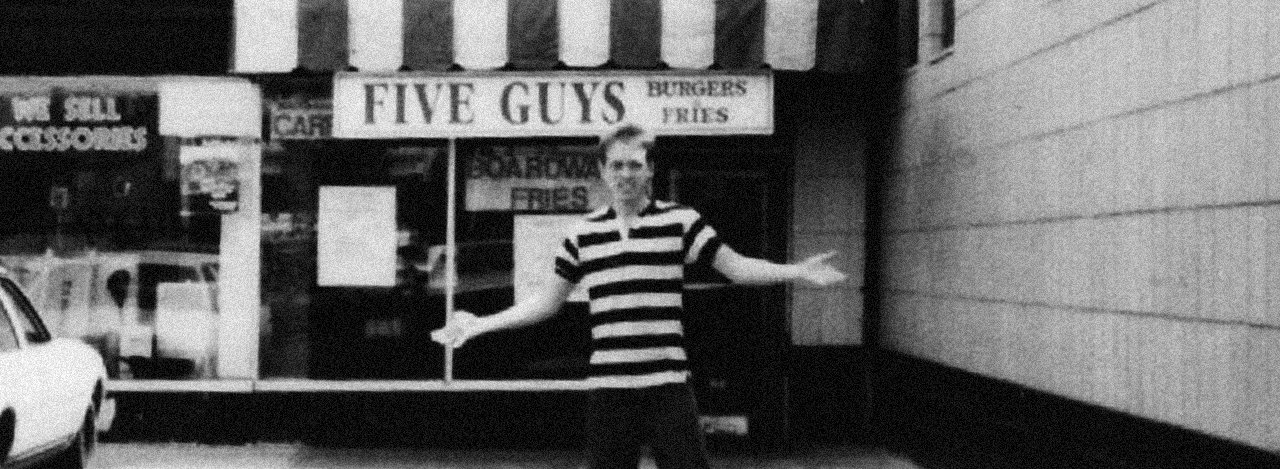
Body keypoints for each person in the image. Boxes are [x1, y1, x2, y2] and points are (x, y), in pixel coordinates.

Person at [431, 123, 846, 469]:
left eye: (635, 164)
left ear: (650, 170)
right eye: (616, 165)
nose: (625, 174)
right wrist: (481, 323)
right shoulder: (582, 234)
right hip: (609, 388)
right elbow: (546, 303)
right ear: (602, 170)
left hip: (668, 385)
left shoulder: (681, 222)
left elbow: (736, 267)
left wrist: (797, 271)